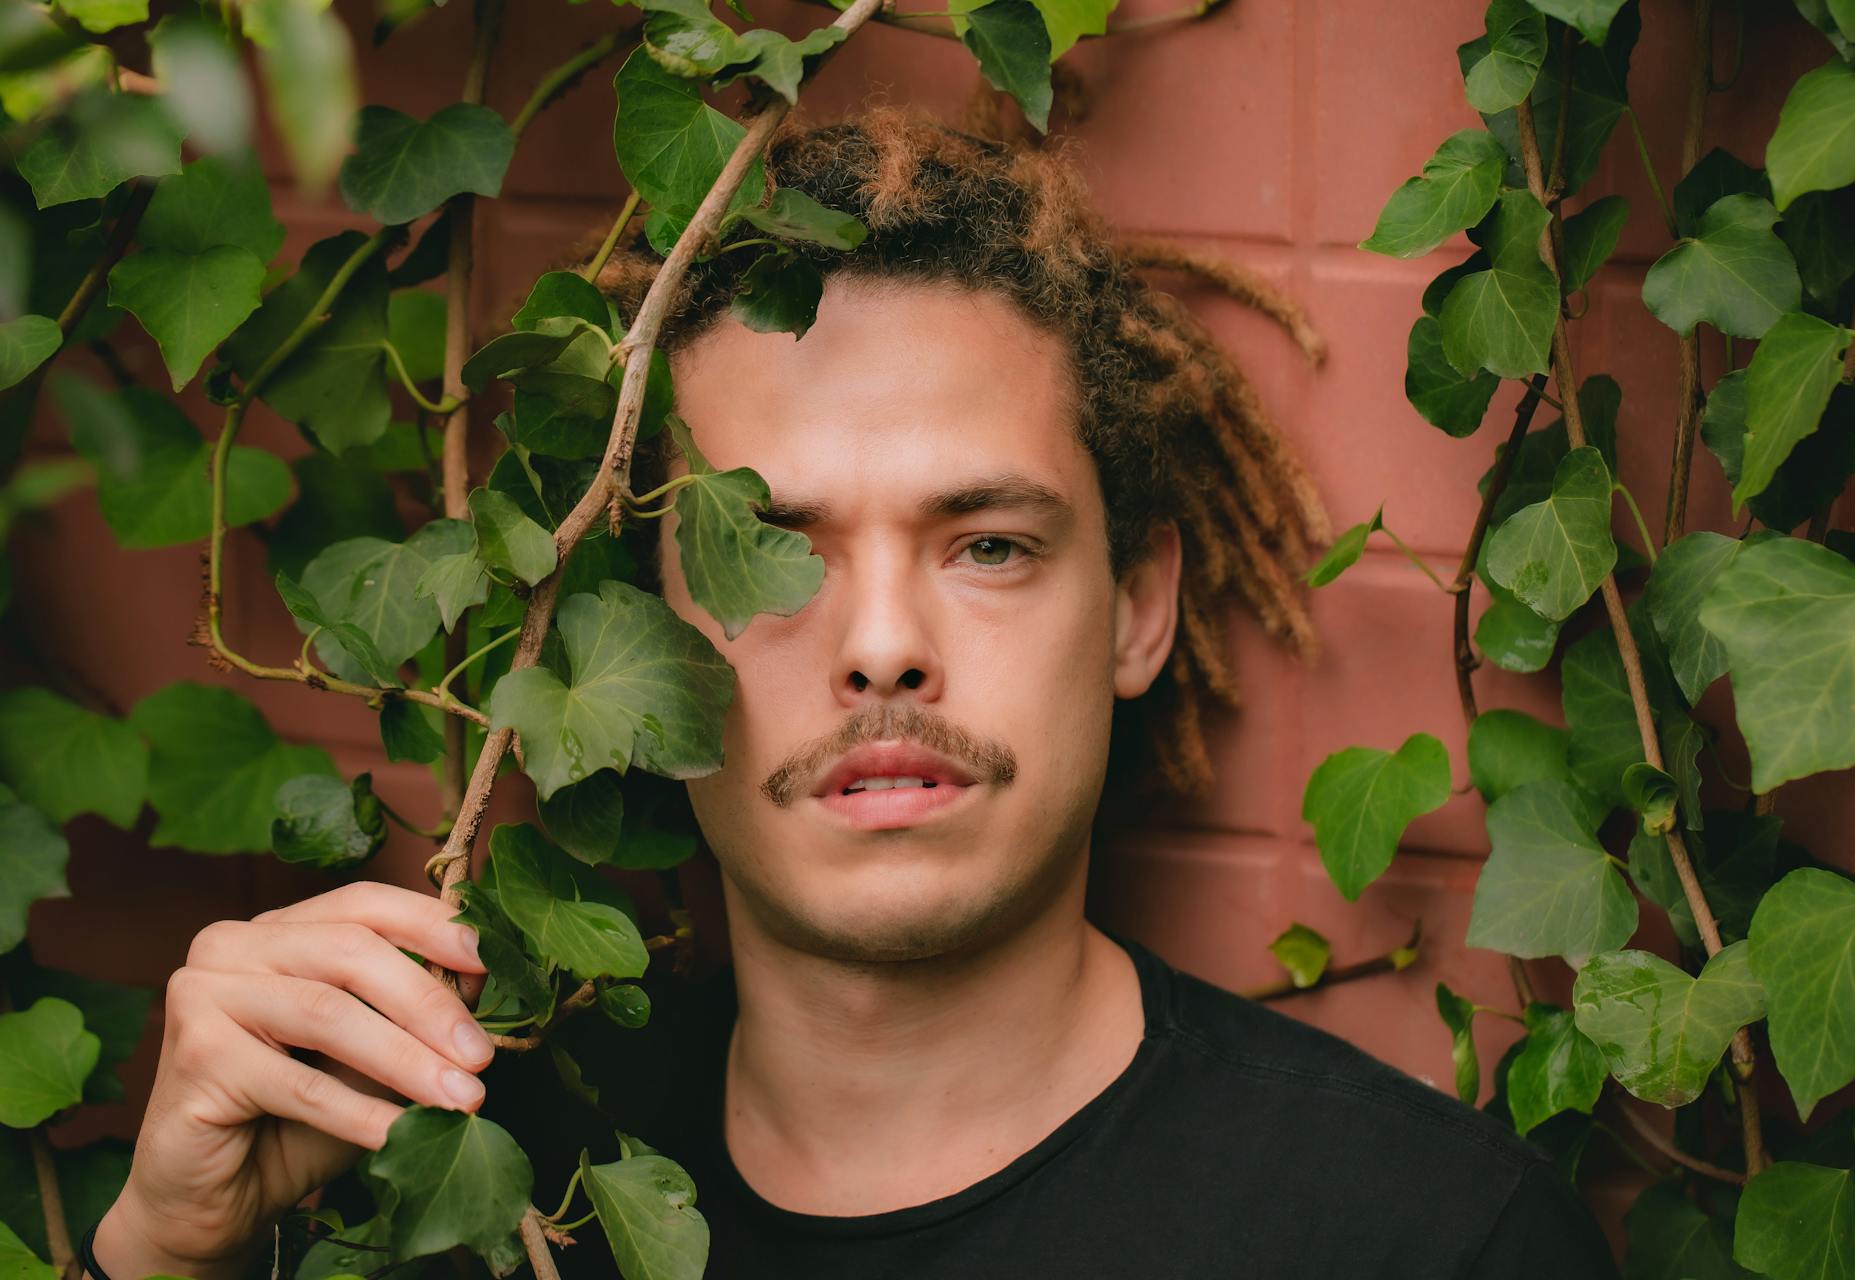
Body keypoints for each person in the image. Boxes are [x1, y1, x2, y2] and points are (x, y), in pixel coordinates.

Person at [91, 108, 1619, 1279]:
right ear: (640, 641)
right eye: (767, 547)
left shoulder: (1424, 1241)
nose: (884, 644)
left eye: (992, 545)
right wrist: (167, 1253)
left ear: (1140, 609)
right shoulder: (473, 1174)